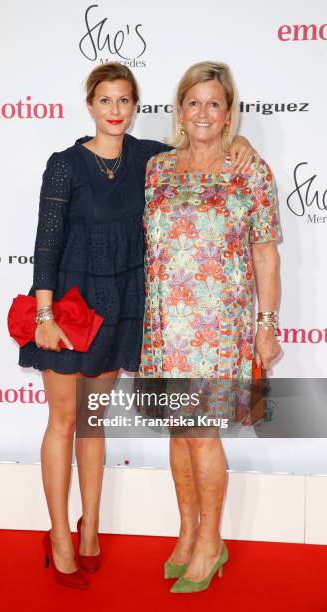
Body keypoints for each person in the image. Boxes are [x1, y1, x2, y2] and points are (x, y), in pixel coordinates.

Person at [18, 62, 258, 589]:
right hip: (68, 309)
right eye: (105, 100)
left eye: (124, 100)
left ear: (135, 106)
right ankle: (58, 535)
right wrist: (43, 314)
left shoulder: (150, 160)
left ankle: (91, 533)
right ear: (89, 105)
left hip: (120, 306)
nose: (115, 110)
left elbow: (207, 148)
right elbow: (46, 242)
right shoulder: (64, 165)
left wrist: (244, 146)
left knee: (92, 422)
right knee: (62, 421)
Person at [139, 61, 282, 593]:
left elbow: (266, 257)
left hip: (219, 328)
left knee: (202, 433)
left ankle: (212, 541)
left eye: (214, 103)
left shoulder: (250, 170)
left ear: (228, 113)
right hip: (163, 326)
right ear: (179, 110)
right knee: (179, 434)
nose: (203, 112)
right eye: (193, 102)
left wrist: (266, 326)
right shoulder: (157, 169)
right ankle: (186, 532)